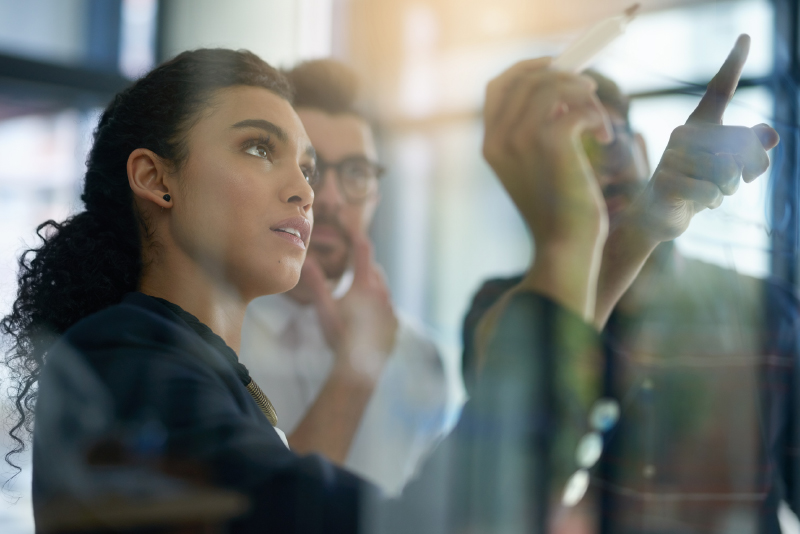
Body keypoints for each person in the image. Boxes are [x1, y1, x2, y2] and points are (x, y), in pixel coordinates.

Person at [0, 35, 776, 533]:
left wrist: (639, 224)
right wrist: (568, 236)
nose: (308, 190)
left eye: (309, 166)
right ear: (155, 177)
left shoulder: (179, 364)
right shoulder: (123, 362)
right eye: (259, 149)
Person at [461, 69, 800, 532]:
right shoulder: (507, 308)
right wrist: (638, 228)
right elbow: (499, 463)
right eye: (573, 157)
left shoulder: (767, 312)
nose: (600, 171)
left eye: (609, 142)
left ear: (641, 147)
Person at [239, 59, 465, 497]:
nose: (327, 199)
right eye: (310, 167)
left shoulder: (419, 357)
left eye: (357, 173)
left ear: (377, 194)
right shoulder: (216, 341)